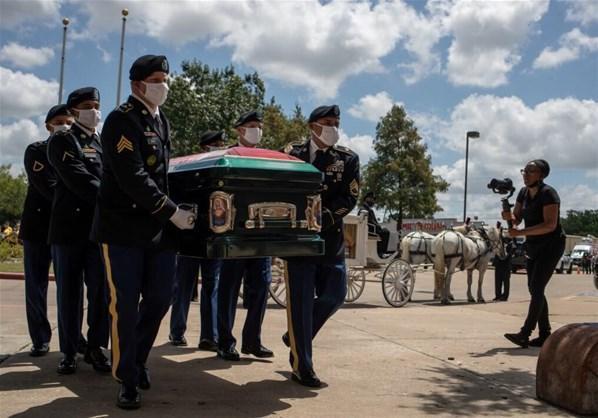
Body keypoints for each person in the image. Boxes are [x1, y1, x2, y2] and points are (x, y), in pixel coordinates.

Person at [91, 54, 196, 409]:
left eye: (165, 79)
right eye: (156, 79)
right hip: (123, 229)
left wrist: (178, 213)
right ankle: (127, 377)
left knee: (160, 298)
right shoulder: (121, 120)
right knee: (126, 306)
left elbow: (163, 175)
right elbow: (131, 175)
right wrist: (171, 212)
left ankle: (134, 358)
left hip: (157, 231)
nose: (163, 86)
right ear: (137, 85)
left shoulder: (160, 120)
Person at [283, 105, 359, 387]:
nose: (334, 128)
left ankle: (294, 335)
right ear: (313, 126)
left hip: (330, 238)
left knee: (335, 295)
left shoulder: (347, 159)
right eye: (328, 122)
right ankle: (303, 367)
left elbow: (349, 198)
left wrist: (325, 216)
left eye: (337, 122)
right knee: (300, 304)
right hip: (298, 241)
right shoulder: (291, 153)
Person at [47, 87, 110, 376]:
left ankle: (97, 348)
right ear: (73, 110)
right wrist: (117, 199)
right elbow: (79, 179)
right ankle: (70, 352)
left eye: (96, 105)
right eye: (87, 105)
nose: (94, 111)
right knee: (70, 295)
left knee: (101, 293)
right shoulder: (63, 140)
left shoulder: (103, 143)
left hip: (97, 231)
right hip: (69, 231)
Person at [216, 111, 273, 361]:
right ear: (239, 130)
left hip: (261, 232)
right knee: (229, 287)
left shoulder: (267, 157)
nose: (256, 131)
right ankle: (225, 341)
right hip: (235, 231)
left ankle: (252, 340)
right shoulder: (228, 156)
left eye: (259, 126)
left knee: (261, 286)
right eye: (251, 126)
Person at [19, 104, 73, 357]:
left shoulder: (78, 152)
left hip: (64, 230)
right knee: (36, 286)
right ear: (48, 125)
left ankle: (72, 337)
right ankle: (40, 338)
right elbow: (48, 187)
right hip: (38, 228)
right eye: (60, 121)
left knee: (68, 287)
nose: (65, 126)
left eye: (69, 122)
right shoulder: (36, 151)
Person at [169, 130, 226, 350]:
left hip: (212, 237)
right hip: (190, 238)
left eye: (220, 144)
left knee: (211, 286)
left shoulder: (221, 169)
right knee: (183, 286)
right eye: (215, 144)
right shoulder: (188, 169)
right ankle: (177, 331)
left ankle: (208, 337)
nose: (218, 147)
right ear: (204, 147)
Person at [502, 159, 565, 348]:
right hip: (534, 245)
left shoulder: (548, 194)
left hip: (552, 245)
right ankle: (545, 334)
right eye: (524, 170)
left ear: (541, 175)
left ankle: (525, 333)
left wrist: (520, 232)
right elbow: (517, 218)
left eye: (530, 171)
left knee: (537, 288)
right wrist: (509, 216)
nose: (525, 174)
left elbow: (550, 225)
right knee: (534, 288)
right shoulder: (523, 193)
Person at [361, 192, 391, 256]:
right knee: (386, 232)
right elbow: (370, 221)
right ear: (367, 199)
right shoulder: (365, 209)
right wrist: (379, 227)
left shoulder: (366, 209)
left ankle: (379, 251)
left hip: (370, 229)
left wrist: (379, 226)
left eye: (373, 199)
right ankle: (381, 252)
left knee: (384, 231)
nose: (373, 201)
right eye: (372, 199)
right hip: (370, 230)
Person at [492, 222, 512, 302]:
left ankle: (505, 296)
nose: (505, 239)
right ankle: (498, 295)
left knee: (506, 282)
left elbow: (508, 255)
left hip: (506, 265)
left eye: (506, 238)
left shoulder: (511, 244)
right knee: (498, 281)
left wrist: (502, 257)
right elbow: (498, 239)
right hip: (499, 264)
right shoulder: (500, 243)